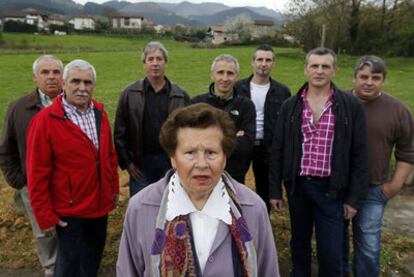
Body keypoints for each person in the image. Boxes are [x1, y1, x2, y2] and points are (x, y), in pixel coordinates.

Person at [116, 103, 279, 276]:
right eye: (190, 152)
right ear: (173, 158)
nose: (201, 164)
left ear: (225, 157)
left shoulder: (253, 208)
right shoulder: (141, 208)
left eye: (211, 152)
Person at [269, 47, 369, 276]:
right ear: (306, 70)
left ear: (334, 71)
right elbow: (278, 150)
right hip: (299, 187)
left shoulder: (350, 106)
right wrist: (275, 190)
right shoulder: (291, 106)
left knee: (331, 252)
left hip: (331, 190)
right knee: (299, 242)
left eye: (325, 66)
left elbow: (360, 154)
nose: (319, 71)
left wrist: (353, 199)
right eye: (314, 66)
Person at [26, 59, 119, 277]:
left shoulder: (99, 113)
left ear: (93, 86)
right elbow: (36, 173)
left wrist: (113, 189)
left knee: (91, 261)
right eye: (75, 81)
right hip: (69, 212)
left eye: (88, 83)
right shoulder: (45, 120)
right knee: (69, 267)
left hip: (99, 207)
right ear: (65, 84)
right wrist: (45, 214)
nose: (82, 88)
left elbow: (109, 156)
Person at [345, 55, 414, 276]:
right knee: (335, 243)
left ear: (383, 80)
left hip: (373, 189)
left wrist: (394, 186)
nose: (369, 82)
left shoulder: (397, 110)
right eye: (363, 76)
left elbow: (408, 150)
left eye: (375, 77)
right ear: (355, 78)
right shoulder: (338, 102)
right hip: (337, 187)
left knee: (368, 244)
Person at [0, 55, 63, 276]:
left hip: (68, 184)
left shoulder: (75, 104)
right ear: (35, 77)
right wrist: (20, 181)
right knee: (44, 232)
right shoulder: (19, 108)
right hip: (34, 185)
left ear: (63, 77)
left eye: (56, 72)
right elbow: (6, 148)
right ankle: (50, 270)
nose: (52, 77)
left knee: (70, 228)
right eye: (45, 72)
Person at [114, 41, 190, 197]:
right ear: (144, 64)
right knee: (142, 206)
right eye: (150, 59)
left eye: (159, 59)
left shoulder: (181, 95)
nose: (155, 63)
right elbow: (120, 132)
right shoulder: (129, 94)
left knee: (171, 207)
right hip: (140, 163)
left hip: (170, 162)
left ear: (165, 63)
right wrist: (128, 164)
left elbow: (189, 132)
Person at [235, 44, 291, 211]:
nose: (263, 63)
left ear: (273, 63)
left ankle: (262, 224)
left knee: (265, 191)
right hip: (242, 143)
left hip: (268, 147)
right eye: (260, 59)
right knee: (236, 186)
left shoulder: (282, 92)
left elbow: (286, 123)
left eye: (268, 60)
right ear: (252, 62)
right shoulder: (238, 88)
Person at [192, 54, 256, 183]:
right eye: (220, 72)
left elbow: (246, 144)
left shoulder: (246, 106)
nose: (225, 78)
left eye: (230, 73)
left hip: (235, 174)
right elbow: (191, 140)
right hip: (203, 172)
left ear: (236, 77)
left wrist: (208, 141)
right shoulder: (197, 104)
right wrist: (231, 137)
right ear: (212, 75)